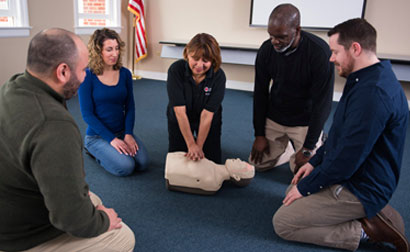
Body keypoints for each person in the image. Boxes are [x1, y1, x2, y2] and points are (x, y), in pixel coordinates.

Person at [273, 18, 409, 252]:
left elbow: (346, 161)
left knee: (284, 223)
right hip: (354, 173)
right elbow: (339, 134)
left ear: (355, 48)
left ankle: (366, 231)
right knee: (291, 190)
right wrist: (315, 163)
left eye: (335, 51)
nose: (331, 58)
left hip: (361, 186)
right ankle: (365, 214)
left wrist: (307, 188)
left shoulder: (373, 95)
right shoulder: (363, 78)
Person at [0, 28, 134, 251]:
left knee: (94, 199)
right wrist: (103, 221)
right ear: (62, 71)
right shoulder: (54, 126)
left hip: (13, 202)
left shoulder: (10, 88)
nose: (84, 76)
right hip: (19, 238)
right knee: (124, 236)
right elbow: (72, 220)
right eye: (82, 70)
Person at [250, 3, 334, 173]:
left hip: (304, 121)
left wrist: (308, 148)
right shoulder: (267, 50)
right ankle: (287, 150)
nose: (275, 41)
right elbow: (260, 93)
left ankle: (318, 142)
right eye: (271, 35)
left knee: (303, 172)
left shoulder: (319, 53)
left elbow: (322, 104)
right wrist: (259, 135)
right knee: (256, 164)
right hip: (275, 116)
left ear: (297, 29)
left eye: (281, 36)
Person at [79, 28, 149, 176]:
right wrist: (112, 140)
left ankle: (115, 149)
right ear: (99, 51)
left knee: (142, 163)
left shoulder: (124, 73)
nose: (115, 54)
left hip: (122, 131)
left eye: (117, 48)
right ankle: (94, 152)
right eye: (109, 49)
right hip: (98, 136)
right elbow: (87, 115)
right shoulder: (87, 76)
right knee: (126, 167)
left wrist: (128, 134)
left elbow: (130, 107)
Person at [167, 33, 226, 164]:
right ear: (187, 54)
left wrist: (198, 146)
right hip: (180, 117)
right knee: (178, 161)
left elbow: (207, 115)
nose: (199, 65)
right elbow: (180, 112)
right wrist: (190, 144)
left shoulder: (219, 77)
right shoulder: (175, 70)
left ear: (214, 60)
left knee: (211, 161)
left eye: (205, 61)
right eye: (195, 58)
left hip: (208, 119)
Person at [165, 152, 255, 195]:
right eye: (243, 161)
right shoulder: (213, 167)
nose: (239, 160)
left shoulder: (213, 182)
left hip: (170, 169)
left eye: (243, 166)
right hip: (172, 160)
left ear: (236, 177)